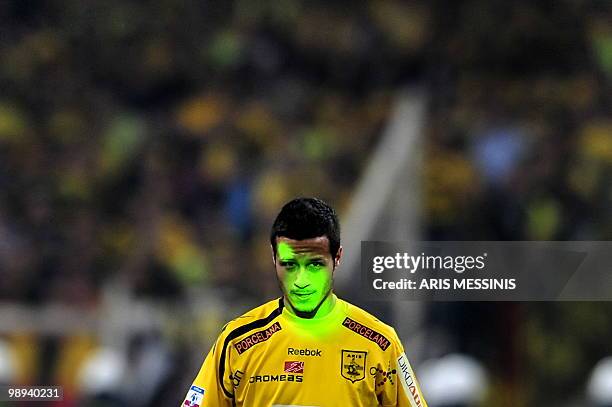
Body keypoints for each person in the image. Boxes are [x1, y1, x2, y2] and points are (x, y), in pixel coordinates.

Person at [181, 197, 428, 406]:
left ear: (337, 257)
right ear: (273, 257)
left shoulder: (380, 343)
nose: (301, 281)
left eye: (315, 265)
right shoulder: (238, 342)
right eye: (289, 265)